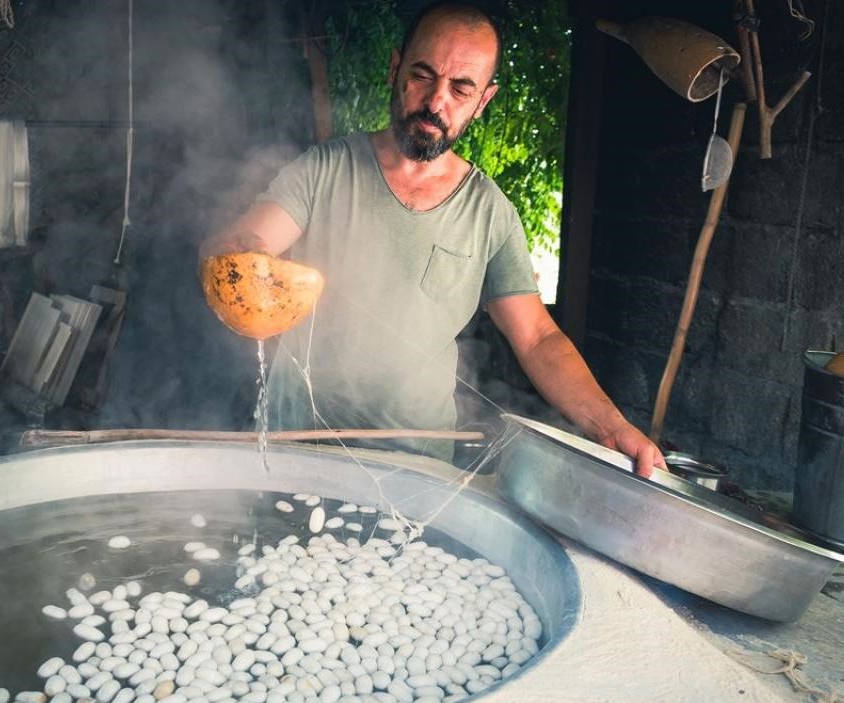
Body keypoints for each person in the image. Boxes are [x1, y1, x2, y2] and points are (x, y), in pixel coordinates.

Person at [204, 1, 665, 476]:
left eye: (461, 88)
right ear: (395, 69)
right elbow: (247, 240)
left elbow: (538, 337)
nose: (435, 100)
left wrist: (610, 426)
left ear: (483, 100)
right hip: (294, 449)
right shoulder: (324, 169)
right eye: (423, 75)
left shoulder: (491, 213)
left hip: (417, 471)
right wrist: (241, 255)